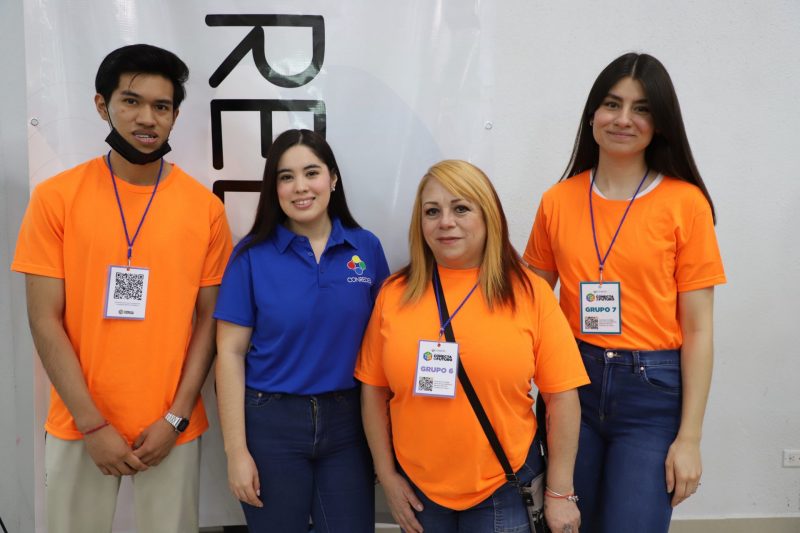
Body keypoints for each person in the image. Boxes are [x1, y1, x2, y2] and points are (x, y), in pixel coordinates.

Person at [11, 44, 233, 533]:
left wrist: (175, 418)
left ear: (175, 116)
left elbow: (209, 321)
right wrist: (91, 424)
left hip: (171, 428)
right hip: (78, 423)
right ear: (102, 105)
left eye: (161, 106)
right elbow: (43, 319)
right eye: (131, 101)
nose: (147, 118)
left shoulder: (205, 210)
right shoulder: (56, 198)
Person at [524, 53, 727, 533]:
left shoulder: (686, 204)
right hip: (572, 384)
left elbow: (698, 329)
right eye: (612, 104)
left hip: (651, 392)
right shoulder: (557, 200)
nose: (623, 119)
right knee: (566, 523)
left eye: (641, 109)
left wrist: (690, 438)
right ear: (592, 114)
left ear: (660, 124)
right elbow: (529, 307)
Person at [356, 159, 589, 533]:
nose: (445, 222)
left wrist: (560, 493)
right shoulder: (394, 294)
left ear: (489, 216)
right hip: (418, 493)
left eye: (461, 208)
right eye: (432, 211)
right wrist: (387, 475)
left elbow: (562, 398)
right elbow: (373, 390)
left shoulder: (530, 294)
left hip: (503, 487)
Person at [214, 128, 390, 532]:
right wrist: (235, 452)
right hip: (271, 423)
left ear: (333, 178)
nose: (300, 187)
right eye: (286, 176)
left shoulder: (366, 248)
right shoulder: (250, 256)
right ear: (273, 188)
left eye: (311, 173)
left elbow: (384, 345)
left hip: (349, 423)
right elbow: (230, 353)